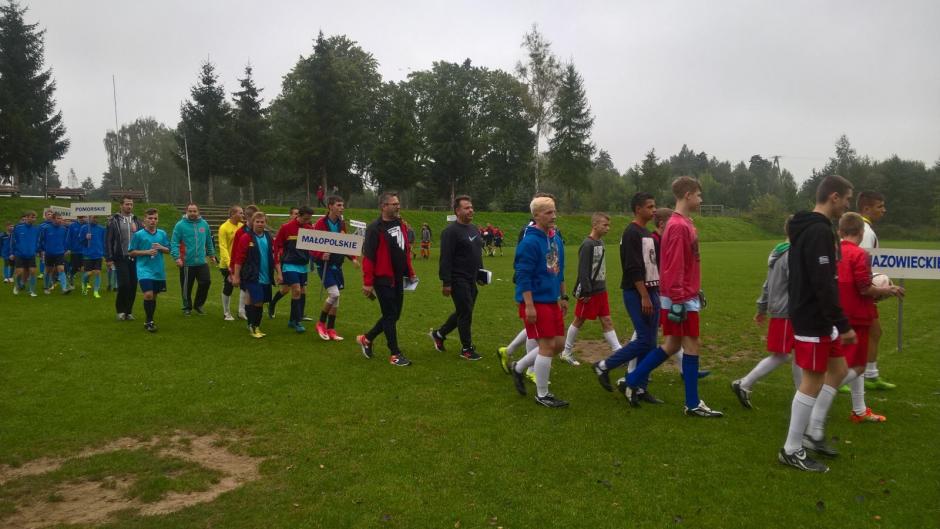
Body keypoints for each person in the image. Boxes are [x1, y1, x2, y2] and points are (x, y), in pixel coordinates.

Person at [622, 177, 722, 417]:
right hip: (681, 298)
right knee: (691, 345)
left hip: (684, 294)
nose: (701, 199)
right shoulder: (678, 226)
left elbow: (686, 263)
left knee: (672, 345)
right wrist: (679, 300)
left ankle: (631, 380)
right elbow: (674, 267)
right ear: (687, 195)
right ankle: (692, 404)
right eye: (698, 195)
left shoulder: (683, 223)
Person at [777, 174, 856, 473]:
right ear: (834, 196)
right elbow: (823, 283)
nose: (847, 205)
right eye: (846, 199)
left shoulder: (813, 227)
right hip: (813, 317)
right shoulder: (818, 230)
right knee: (812, 381)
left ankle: (813, 432)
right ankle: (791, 449)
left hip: (821, 317)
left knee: (839, 370)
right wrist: (843, 324)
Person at [828, 212, 903, 423]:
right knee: (857, 366)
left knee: (852, 364)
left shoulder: (833, 252)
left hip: (837, 313)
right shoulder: (860, 254)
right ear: (861, 233)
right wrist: (886, 290)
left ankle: (859, 410)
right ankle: (820, 393)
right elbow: (864, 288)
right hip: (858, 315)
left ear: (840, 232)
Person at [592, 193, 663, 404]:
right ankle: (604, 366)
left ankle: (640, 387)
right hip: (637, 293)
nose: (654, 210)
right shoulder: (632, 232)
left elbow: (653, 265)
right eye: (650, 206)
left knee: (651, 343)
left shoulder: (646, 233)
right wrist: (644, 296)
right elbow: (633, 268)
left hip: (652, 291)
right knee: (644, 339)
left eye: (654, 206)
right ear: (638, 209)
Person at [731, 216, 801, 408]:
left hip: (783, 310)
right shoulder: (793, 254)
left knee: (796, 354)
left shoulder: (778, 251)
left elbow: (767, 284)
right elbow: (797, 286)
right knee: (783, 355)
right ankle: (744, 383)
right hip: (787, 312)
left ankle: (802, 396)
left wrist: (761, 307)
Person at [509, 195, 569, 408]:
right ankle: (542, 395)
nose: (554, 216)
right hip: (535, 301)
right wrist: (529, 305)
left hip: (552, 300)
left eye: (554, 211)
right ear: (536, 215)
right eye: (548, 212)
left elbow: (559, 270)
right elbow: (523, 276)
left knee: (559, 344)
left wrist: (563, 296)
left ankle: (518, 368)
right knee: (547, 346)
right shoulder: (529, 242)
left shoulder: (555, 239)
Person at [356, 191, 417, 367]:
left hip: (398, 278)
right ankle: (395, 354)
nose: (398, 206)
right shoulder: (374, 228)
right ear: (384, 206)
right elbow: (368, 257)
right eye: (394, 204)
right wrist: (368, 283)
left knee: (394, 315)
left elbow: (405, 250)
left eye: (398, 203)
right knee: (390, 315)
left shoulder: (400, 224)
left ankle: (367, 338)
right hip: (383, 279)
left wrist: (410, 272)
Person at [559, 212, 619, 366]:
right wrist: (586, 291)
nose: (608, 228)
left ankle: (619, 354)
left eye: (608, 225)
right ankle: (566, 351)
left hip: (601, 290)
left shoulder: (600, 242)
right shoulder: (587, 244)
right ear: (595, 225)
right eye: (605, 225)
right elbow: (583, 270)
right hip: (590, 292)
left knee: (607, 320)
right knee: (579, 320)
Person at [429, 195, 484, 360]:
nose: (471, 210)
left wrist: (481, 273)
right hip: (457, 278)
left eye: (471, 207)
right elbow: (445, 258)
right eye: (467, 208)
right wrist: (446, 282)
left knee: (463, 311)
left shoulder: (474, 229)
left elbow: (477, 254)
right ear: (457, 211)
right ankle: (466, 349)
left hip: (471, 278)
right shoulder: (450, 232)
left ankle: (439, 334)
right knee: (465, 312)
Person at [856, 191, 894, 391]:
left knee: (874, 332)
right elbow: (858, 266)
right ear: (866, 208)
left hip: (860, 292)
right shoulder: (864, 232)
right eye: (880, 206)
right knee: (860, 334)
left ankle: (870, 374)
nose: (884, 210)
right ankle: (840, 376)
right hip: (858, 294)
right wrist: (874, 288)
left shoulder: (863, 228)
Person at [310, 196, 360, 340]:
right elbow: (311, 246)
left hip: (337, 265)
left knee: (336, 298)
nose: (342, 208)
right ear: (330, 206)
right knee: (334, 294)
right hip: (324, 266)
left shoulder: (341, 223)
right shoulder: (320, 223)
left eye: (342, 205)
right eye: (338, 205)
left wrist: (352, 258)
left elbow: (344, 243)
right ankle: (320, 323)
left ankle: (331, 329)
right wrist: (321, 254)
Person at [271, 205, 315, 333]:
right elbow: (277, 246)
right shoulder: (286, 228)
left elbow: (315, 246)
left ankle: (291, 320)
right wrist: (278, 266)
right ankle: (297, 321)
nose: (307, 221)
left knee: (295, 291)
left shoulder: (309, 229)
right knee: (296, 290)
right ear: (299, 216)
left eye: (309, 219)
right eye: (305, 218)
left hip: (303, 265)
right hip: (289, 264)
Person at [231, 211, 275, 338]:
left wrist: (278, 272)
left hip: (266, 275)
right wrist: (236, 276)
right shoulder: (246, 237)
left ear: (265, 223)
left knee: (252, 299)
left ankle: (250, 323)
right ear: (252, 222)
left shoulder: (268, 237)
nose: (260, 224)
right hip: (251, 275)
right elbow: (239, 259)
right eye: (257, 221)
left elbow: (273, 255)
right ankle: (255, 327)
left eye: (262, 222)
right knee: (258, 301)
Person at [128, 208, 171, 332]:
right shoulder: (138, 235)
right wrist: (146, 252)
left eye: (155, 218)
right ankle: (149, 321)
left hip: (158, 269)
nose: (153, 220)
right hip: (144, 269)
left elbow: (169, 250)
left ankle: (149, 320)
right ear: (145, 220)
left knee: (154, 296)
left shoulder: (162, 233)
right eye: (150, 218)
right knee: (148, 294)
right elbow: (131, 252)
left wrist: (161, 247)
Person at [170, 203, 216, 315]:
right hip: (186, 262)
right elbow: (174, 242)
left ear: (198, 212)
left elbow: (208, 241)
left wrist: (212, 255)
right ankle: (187, 307)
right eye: (190, 211)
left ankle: (198, 305)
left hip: (201, 261)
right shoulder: (180, 225)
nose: (192, 213)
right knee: (187, 287)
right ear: (186, 212)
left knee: (206, 282)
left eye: (194, 211)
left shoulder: (204, 224)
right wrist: (177, 257)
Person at [105, 196, 141, 319]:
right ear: (121, 205)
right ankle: (120, 311)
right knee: (124, 284)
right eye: (127, 204)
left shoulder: (136, 220)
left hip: (135, 257)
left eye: (131, 204)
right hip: (120, 257)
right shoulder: (114, 221)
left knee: (133, 285)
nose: (129, 206)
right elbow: (108, 240)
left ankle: (128, 312)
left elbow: (142, 237)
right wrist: (109, 258)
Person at [229, 204, 259, 319]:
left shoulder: (259, 231)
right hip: (244, 265)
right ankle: (242, 310)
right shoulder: (240, 232)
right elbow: (235, 251)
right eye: (254, 218)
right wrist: (233, 269)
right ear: (248, 217)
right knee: (245, 287)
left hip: (257, 264)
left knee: (254, 287)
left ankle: (250, 309)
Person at [217, 205, 245, 321]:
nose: (242, 215)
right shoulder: (224, 228)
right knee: (229, 286)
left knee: (245, 286)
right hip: (227, 264)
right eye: (240, 213)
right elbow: (223, 247)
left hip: (240, 263)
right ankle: (226, 312)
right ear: (233, 214)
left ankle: (241, 311)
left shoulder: (242, 226)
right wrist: (230, 264)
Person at [38, 213, 71, 294]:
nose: (60, 220)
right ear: (53, 219)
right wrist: (41, 250)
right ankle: (46, 287)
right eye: (58, 218)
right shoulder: (46, 228)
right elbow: (40, 240)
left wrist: (66, 249)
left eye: (60, 218)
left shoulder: (64, 229)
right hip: (49, 253)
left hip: (60, 253)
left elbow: (65, 241)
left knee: (61, 269)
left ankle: (64, 289)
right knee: (48, 271)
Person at [9, 211, 40, 296]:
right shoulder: (18, 227)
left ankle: (32, 291)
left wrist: (37, 250)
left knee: (33, 272)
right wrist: (12, 253)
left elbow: (37, 241)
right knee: (19, 272)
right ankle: (17, 286)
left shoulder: (36, 229)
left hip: (31, 254)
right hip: (20, 254)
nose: (34, 219)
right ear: (26, 217)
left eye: (35, 217)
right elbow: (12, 241)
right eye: (32, 217)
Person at [79, 215, 107, 298]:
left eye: (97, 217)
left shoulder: (102, 229)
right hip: (88, 254)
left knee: (97, 272)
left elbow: (103, 242)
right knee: (88, 273)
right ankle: (84, 285)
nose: (95, 219)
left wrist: (104, 254)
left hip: (98, 254)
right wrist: (86, 238)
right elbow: (80, 241)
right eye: (94, 217)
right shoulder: (84, 228)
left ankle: (96, 291)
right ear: (89, 218)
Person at [67, 215, 86, 288]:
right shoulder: (72, 226)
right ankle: (71, 278)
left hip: (85, 250)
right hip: (75, 250)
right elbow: (69, 237)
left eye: (83, 217)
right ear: (77, 218)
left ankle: (85, 283)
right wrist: (69, 248)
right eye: (80, 217)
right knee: (75, 267)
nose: (82, 219)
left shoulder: (87, 226)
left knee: (84, 267)